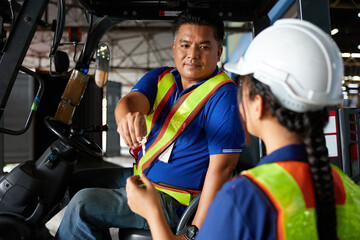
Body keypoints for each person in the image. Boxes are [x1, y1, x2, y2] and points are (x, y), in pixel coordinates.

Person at [126, 19, 360, 240]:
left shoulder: (244, 197)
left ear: (258, 105)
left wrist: (152, 212)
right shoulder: (350, 190)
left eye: (243, 91)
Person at [55, 8, 245, 240]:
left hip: (176, 201)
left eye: (204, 47)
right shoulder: (161, 78)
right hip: (145, 176)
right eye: (185, 45)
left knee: (83, 204)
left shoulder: (223, 96)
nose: (192, 54)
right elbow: (129, 102)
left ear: (218, 52)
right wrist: (127, 117)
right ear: (174, 48)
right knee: (66, 183)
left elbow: (223, 169)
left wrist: (193, 232)